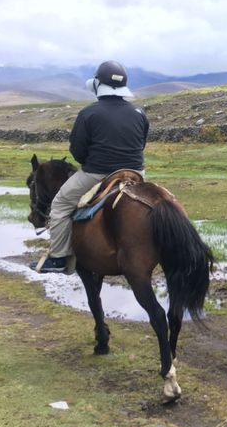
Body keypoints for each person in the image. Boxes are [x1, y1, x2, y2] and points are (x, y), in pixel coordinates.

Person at [31, 60, 149, 273]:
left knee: (60, 205)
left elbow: (77, 151)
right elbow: (141, 144)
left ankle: (58, 258)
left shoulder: (88, 113)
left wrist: (94, 162)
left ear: (97, 85)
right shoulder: (139, 113)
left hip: (97, 174)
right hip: (136, 173)